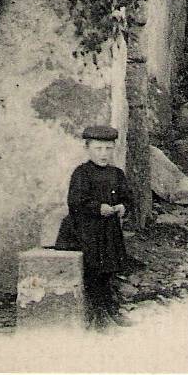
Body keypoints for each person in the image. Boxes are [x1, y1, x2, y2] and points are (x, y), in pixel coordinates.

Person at [65, 125, 133, 329]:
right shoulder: (82, 173)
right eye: (98, 149)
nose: (103, 154)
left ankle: (110, 309)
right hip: (86, 232)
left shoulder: (117, 174)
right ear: (88, 148)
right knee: (93, 271)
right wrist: (97, 207)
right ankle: (97, 315)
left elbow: (128, 198)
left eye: (108, 149)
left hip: (109, 231)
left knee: (108, 270)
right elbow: (75, 201)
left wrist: (123, 207)